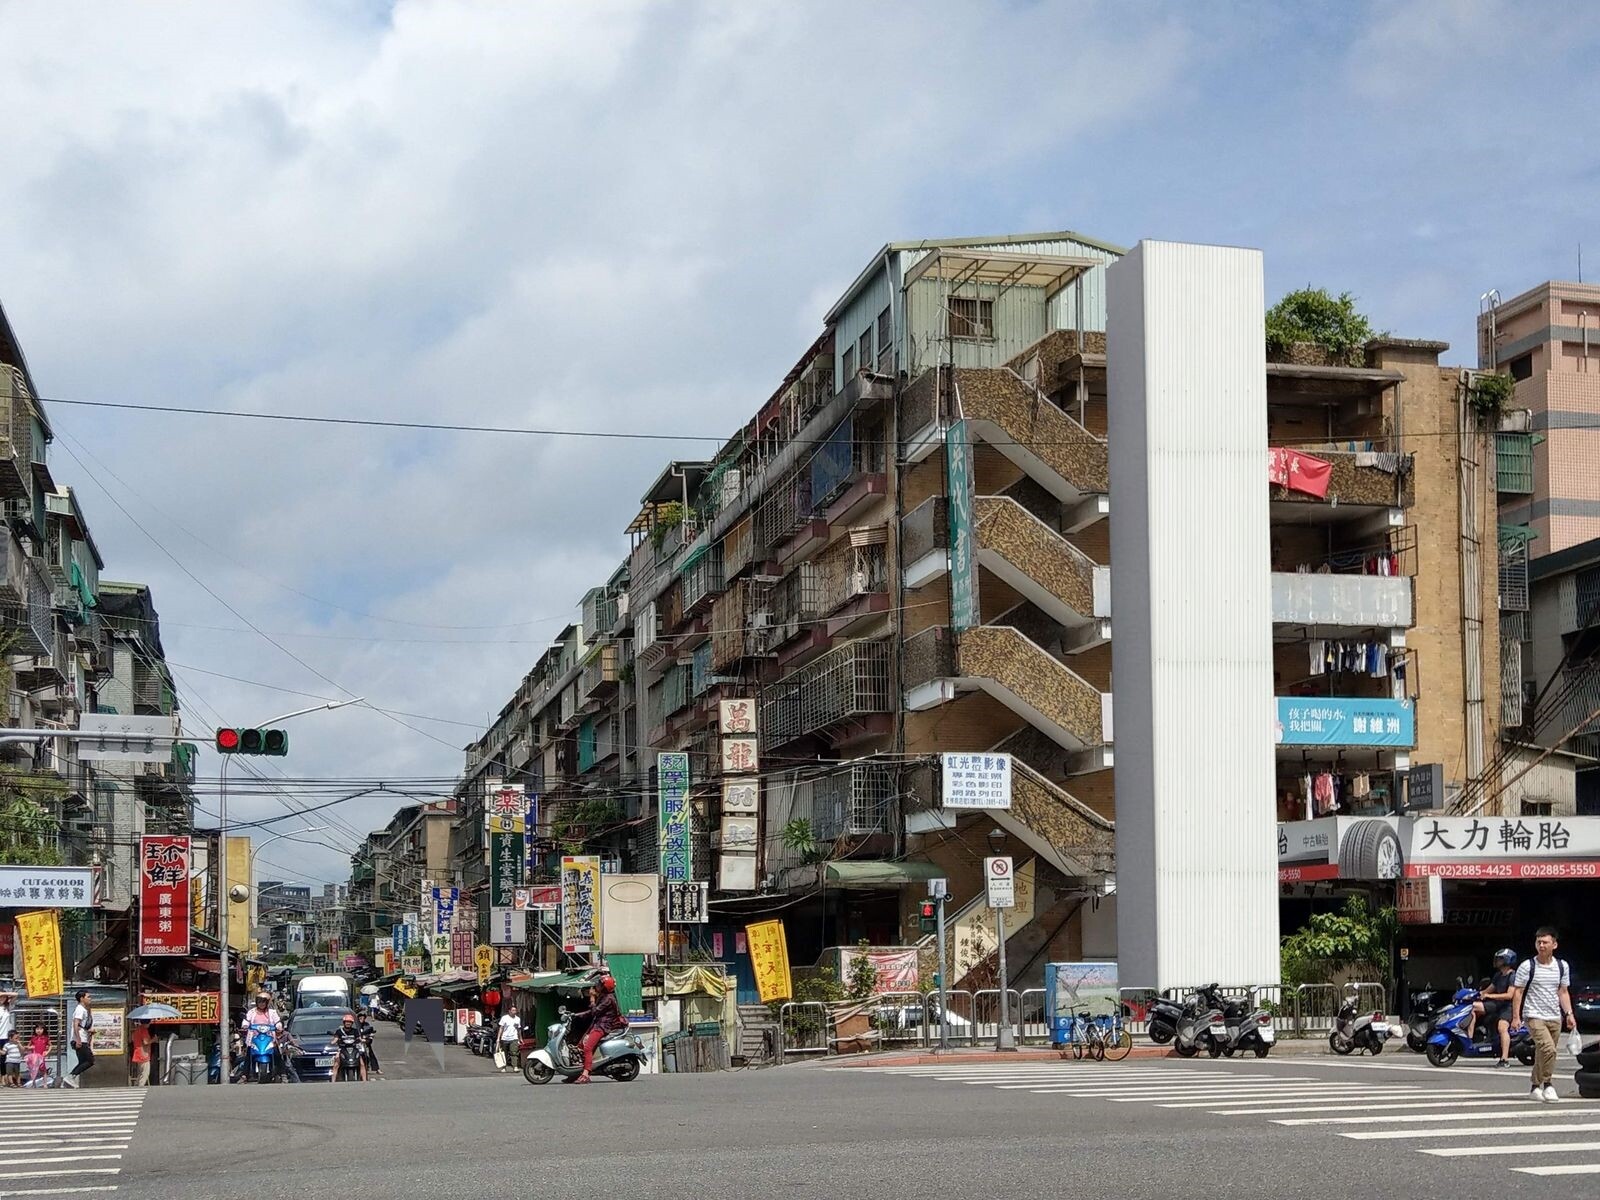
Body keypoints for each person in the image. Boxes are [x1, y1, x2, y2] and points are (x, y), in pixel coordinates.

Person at [1511, 926, 1577, 1103]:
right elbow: (1518, 992)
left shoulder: (1562, 966)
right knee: (1549, 1049)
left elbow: (1563, 992)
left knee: (1543, 1052)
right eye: (1538, 942)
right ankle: (1547, 1084)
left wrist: (1569, 1014)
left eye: (1545, 942)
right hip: (1533, 1015)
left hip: (1554, 1016)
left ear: (1554, 944)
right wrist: (1516, 1017)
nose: (1541, 945)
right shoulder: (1528, 966)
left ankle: (1535, 1086)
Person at [567, 975, 624, 1084]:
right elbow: (591, 1012)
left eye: (600, 984)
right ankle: (576, 1073)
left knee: (587, 1048)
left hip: (603, 1027)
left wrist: (592, 998)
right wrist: (576, 1015)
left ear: (604, 987)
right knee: (580, 1046)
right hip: (597, 1025)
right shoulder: (603, 996)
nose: (597, 986)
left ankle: (585, 1075)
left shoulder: (608, 999)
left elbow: (595, 1012)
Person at [1479, 949, 1519, 1067]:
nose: (1497, 961)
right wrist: (1475, 994)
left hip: (1508, 1006)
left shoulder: (1512, 976)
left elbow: (1509, 995)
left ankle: (1504, 1059)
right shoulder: (1498, 975)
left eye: (1500, 959)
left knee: (1502, 1027)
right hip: (1497, 1005)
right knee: (1475, 1008)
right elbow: (1488, 990)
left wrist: (1489, 996)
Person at [67, 990, 94, 1086]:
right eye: (88, 997)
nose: (90, 999)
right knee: (90, 1060)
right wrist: (78, 1039)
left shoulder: (83, 1009)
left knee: (83, 1061)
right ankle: (71, 1076)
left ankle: (71, 1078)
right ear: (82, 998)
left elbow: (81, 1026)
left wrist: (89, 1031)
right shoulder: (80, 1009)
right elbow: (75, 1024)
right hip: (80, 1040)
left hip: (83, 1038)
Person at [334, 1012, 368, 1082]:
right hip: (342, 1050)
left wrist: (364, 1040)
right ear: (344, 1023)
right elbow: (335, 1039)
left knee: (361, 1063)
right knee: (336, 1064)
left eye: (350, 1022)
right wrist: (333, 1042)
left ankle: (365, 1081)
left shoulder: (355, 1031)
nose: (348, 1023)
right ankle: (333, 1081)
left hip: (354, 1050)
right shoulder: (339, 1031)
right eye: (346, 1022)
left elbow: (359, 1038)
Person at [356, 1011, 381, 1079]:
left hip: (365, 1042)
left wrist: (367, 1037)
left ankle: (377, 1069)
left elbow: (370, 1032)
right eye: (360, 1018)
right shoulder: (356, 1025)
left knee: (371, 1053)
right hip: (357, 1043)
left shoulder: (367, 1025)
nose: (361, 1019)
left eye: (363, 1018)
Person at [495, 1005, 521, 1072]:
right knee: (504, 1053)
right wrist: (498, 1038)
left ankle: (515, 1067)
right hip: (505, 1038)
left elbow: (518, 1029)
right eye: (513, 1010)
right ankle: (503, 1067)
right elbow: (501, 1028)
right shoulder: (504, 1018)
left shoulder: (518, 1019)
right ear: (509, 1011)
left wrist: (520, 1038)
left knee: (514, 1052)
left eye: (515, 1010)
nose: (514, 1012)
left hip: (514, 1038)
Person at [129, 1020, 152, 1088]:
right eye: (149, 1022)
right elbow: (145, 1042)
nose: (150, 1024)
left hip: (138, 1053)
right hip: (143, 1054)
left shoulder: (137, 1030)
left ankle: (136, 1085)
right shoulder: (144, 1030)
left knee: (141, 1072)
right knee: (145, 1073)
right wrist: (153, 1040)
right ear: (146, 1023)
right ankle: (140, 1086)